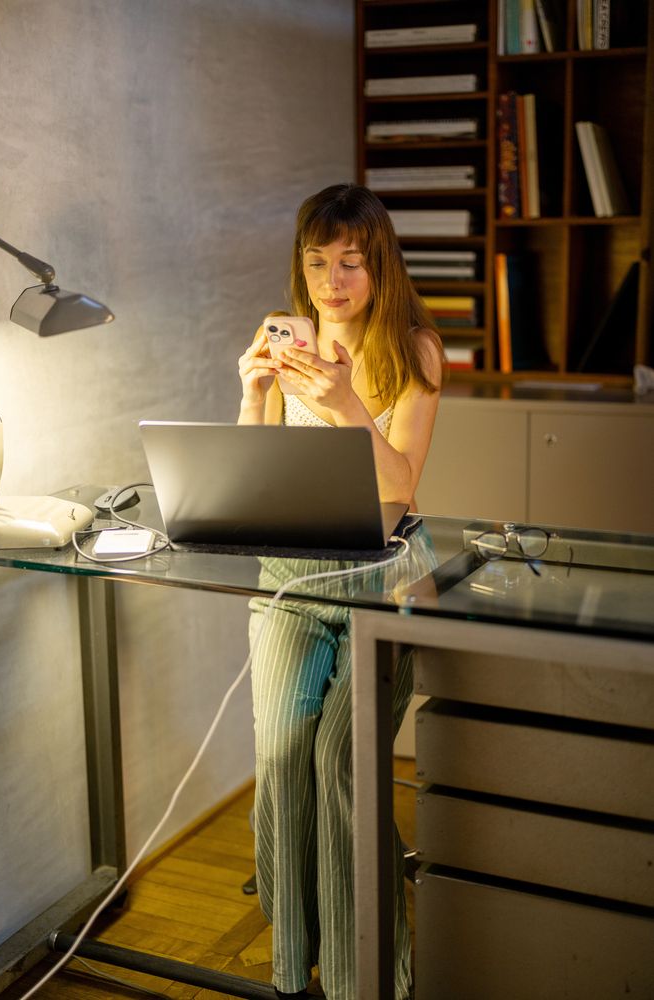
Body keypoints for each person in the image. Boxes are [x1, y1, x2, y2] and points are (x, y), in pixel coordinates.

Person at [237, 183, 444, 1000]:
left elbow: (399, 491)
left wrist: (347, 404)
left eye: (349, 263)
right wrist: (256, 395)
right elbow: (255, 483)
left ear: (378, 264)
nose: (330, 281)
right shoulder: (286, 341)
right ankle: (294, 973)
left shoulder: (416, 349)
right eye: (316, 261)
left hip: (380, 578)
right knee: (282, 760)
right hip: (291, 579)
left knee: (340, 765)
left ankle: (370, 981)